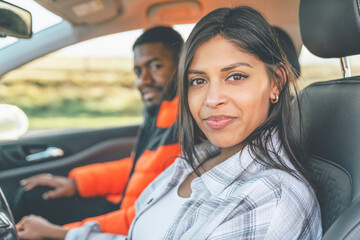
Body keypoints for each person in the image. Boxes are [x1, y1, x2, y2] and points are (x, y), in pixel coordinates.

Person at [61, 6, 323, 240]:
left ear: (276, 82)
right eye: (198, 80)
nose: (212, 99)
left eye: (235, 76)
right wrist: (70, 235)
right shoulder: (196, 157)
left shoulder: (270, 199)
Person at [15, 26, 185, 239]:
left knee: (30, 206)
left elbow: (148, 218)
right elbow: (137, 170)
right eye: (138, 72)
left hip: (132, 220)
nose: (143, 80)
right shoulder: (161, 114)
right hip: (125, 207)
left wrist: (62, 232)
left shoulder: (187, 124)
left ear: (182, 66)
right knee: (33, 196)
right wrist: (76, 184)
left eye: (156, 66)